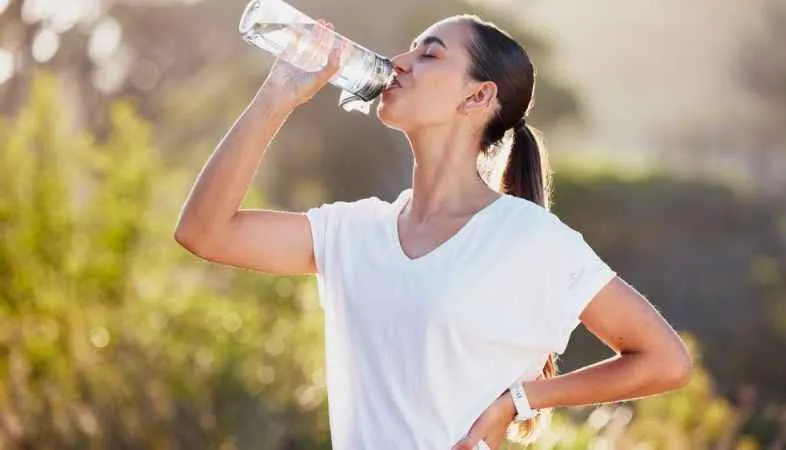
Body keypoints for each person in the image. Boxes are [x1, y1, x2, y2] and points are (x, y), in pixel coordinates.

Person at [174, 14, 692, 450]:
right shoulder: (353, 232)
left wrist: (522, 399)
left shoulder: (529, 239)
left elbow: (664, 360)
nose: (397, 62)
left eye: (429, 55)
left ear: (477, 97)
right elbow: (205, 232)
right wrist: (276, 96)